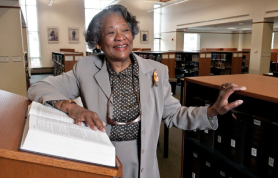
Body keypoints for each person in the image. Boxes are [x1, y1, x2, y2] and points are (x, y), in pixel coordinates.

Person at [28, 5, 246, 178]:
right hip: (100, 155)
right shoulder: (85, 68)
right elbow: (38, 87)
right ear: (98, 43)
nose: (120, 37)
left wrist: (213, 111)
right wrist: (71, 107)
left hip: (144, 161)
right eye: (110, 32)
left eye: (125, 30)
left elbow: (173, 114)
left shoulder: (157, 70)